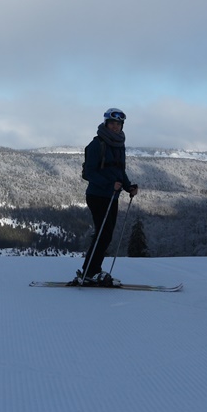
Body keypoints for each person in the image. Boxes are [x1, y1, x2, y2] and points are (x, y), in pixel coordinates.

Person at [75, 107, 138, 286]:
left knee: (106, 235)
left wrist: (128, 187)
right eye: (112, 123)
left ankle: (91, 270)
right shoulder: (96, 144)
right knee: (103, 234)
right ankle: (90, 271)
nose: (115, 127)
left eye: (118, 124)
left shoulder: (119, 144)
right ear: (106, 123)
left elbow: (119, 171)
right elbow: (88, 173)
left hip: (112, 196)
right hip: (97, 195)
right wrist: (109, 184)